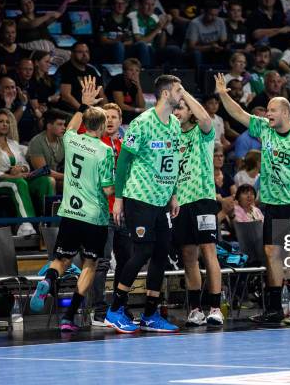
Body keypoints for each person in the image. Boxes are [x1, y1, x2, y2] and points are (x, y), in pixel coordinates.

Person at [214, 72, 290, 325]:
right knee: (272, 253)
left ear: (285, 113)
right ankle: (274, 309)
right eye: (267, 110)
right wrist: (222, 94)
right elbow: (239, 113)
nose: (268, 114)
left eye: (273, 110)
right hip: (272, 206)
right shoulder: (265, 128)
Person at [30, 77, 115, 332]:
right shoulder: (105, 151)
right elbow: (108, 188)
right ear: (101, 127)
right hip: (94, 217)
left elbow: (72, 124)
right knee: (89, 265)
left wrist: (83, 104)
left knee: (62, 259)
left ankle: (48, 279)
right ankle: (69, 317)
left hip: (70, 212)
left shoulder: (70, 139)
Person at [105, 75, 183, 333]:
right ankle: (115, 309)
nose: (182, 94)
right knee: (143, 252)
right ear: (164, 94)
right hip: (139, 198)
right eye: (178, 90)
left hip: (162, 201)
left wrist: (173, 194)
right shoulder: (141, 123)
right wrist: (118, 199)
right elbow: (123, 162)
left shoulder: (174, 124)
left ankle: (150, 314)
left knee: (162, 253)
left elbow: (170, 161)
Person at [172, 95, 224, 327]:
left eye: (180, 108)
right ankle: (195, 310)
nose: (176, 112)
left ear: (190, 111)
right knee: (188, 257)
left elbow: (204, 116)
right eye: (174, 109)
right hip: (180, 204)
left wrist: (183, 92)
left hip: (202, 200)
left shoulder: (202, 133)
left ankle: (215, 307)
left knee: (208, 252)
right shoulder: (170, 137)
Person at [87, 103, 133, 325]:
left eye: (115, 117)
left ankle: (118, 306)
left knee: (126, 260)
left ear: (120, 121)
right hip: (101, 211)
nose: (111, 120)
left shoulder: (125, 146)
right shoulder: (94, 144)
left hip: (123, 212)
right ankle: (98, 310)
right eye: (107, 117)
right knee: (102, 262)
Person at [0, 109, 52, 235]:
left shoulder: (14, 144)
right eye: (1, 121)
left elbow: (26, 165)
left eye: (7, 122)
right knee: (17, 183)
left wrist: (21, 169)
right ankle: (26, 225)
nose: (5, 124)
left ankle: (48, 223)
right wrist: (11, 175)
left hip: (19, 179)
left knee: (44, 181)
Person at [57, 42, 106, 113]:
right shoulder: (66, 69)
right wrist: (83, 110)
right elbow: (66, 96)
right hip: (73, 110)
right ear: (72, 54)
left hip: (92, 109)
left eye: (87, 51)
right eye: (80, 52)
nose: (84, 55)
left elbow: (102, 95)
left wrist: (103, 108)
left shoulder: (92, 70)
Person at [26, 109, 67, 191]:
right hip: (36, 180)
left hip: (56, 178)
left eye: (64, 124)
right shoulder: (36, 142)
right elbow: (43, 171)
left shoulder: (63, 140)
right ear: (49, 126)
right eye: (60, 124)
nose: (64, 128)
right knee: (50, 181)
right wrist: (67, 177)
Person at [105, 57, 146, 124]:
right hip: (112, 109)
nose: (134, 73)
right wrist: (137, 109)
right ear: (124, 71)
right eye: (131, 70)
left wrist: (138, 86)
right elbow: (120, 105)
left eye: (137, 70)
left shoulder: (134, 83)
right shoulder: (118, 80)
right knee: (128, 115)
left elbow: (141, 105)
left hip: (127, 110)